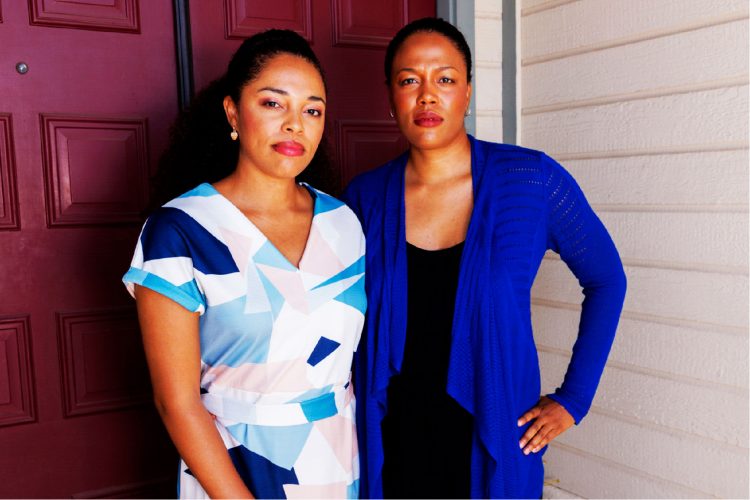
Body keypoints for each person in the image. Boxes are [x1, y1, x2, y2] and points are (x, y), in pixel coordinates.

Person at [342, 17, 627, 499]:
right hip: (392, 444)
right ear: (391, 96)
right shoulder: (364, 198)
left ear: (468, 92)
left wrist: (573, 400)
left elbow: (607, 280)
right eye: (410, 80)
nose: (427, 95)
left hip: (496, 438)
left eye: (445, 79)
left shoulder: (530, 180)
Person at [123, 30, 364, 499]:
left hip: (335, 464)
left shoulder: (344, 224)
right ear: (233, 111)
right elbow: (176, 402)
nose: (295, 124)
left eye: (311, 110)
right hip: (232, 469)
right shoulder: (180, 231)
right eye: (274, 104)